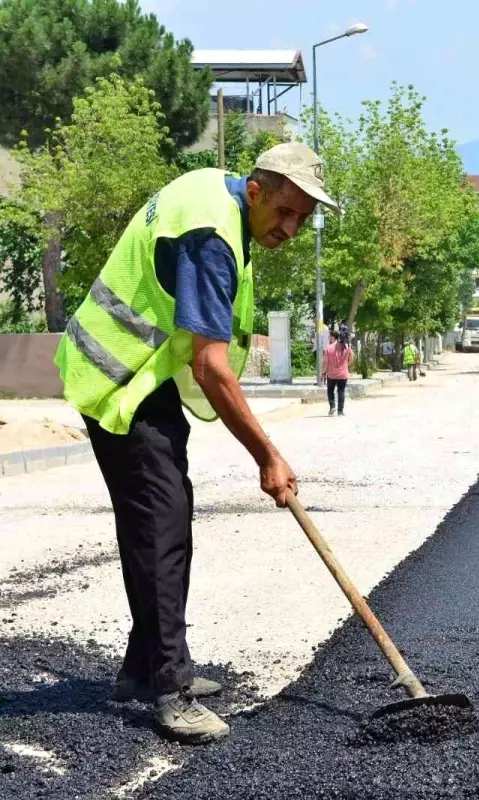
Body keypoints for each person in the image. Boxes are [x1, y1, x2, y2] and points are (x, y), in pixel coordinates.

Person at [53, 143, 338, 745]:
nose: (289, 228)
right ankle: (169, 688)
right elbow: (212, 367)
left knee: (167, 519)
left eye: (302, 219)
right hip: (120, 381)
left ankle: (144, 666)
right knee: (159, 525)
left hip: (146, 378)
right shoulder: (212, 238)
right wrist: (269, 456)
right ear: (256, 190)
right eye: (284, 211)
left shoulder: (219, 192)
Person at [322, 327, 353, 416]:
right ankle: (340, 411)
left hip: (331, 374)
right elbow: (351, 358)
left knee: (330, 390)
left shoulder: (329, 348)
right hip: (343, 374)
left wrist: (323, 373)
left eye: (329, 337)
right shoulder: (347, 347)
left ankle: (332, 407)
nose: (328, 338)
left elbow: (325, 362)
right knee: (341, 391)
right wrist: (346, 365)